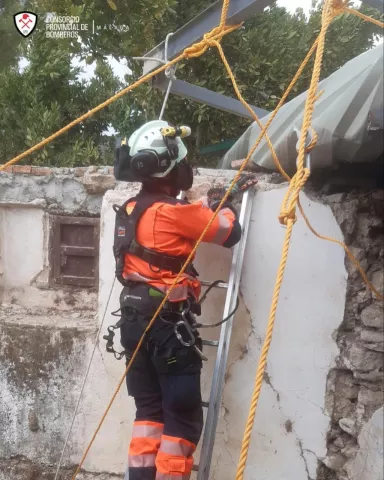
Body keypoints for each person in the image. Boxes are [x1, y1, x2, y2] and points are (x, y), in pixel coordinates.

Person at [111, 120, 257, 480]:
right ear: (168, 168)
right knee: (182, 420)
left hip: (132, 321)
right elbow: (229, 232)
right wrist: (226, 201)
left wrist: (203, 206)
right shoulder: (176, 213)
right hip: (166, 328)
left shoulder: (130, 208)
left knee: (149, 413)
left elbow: (178, 226)